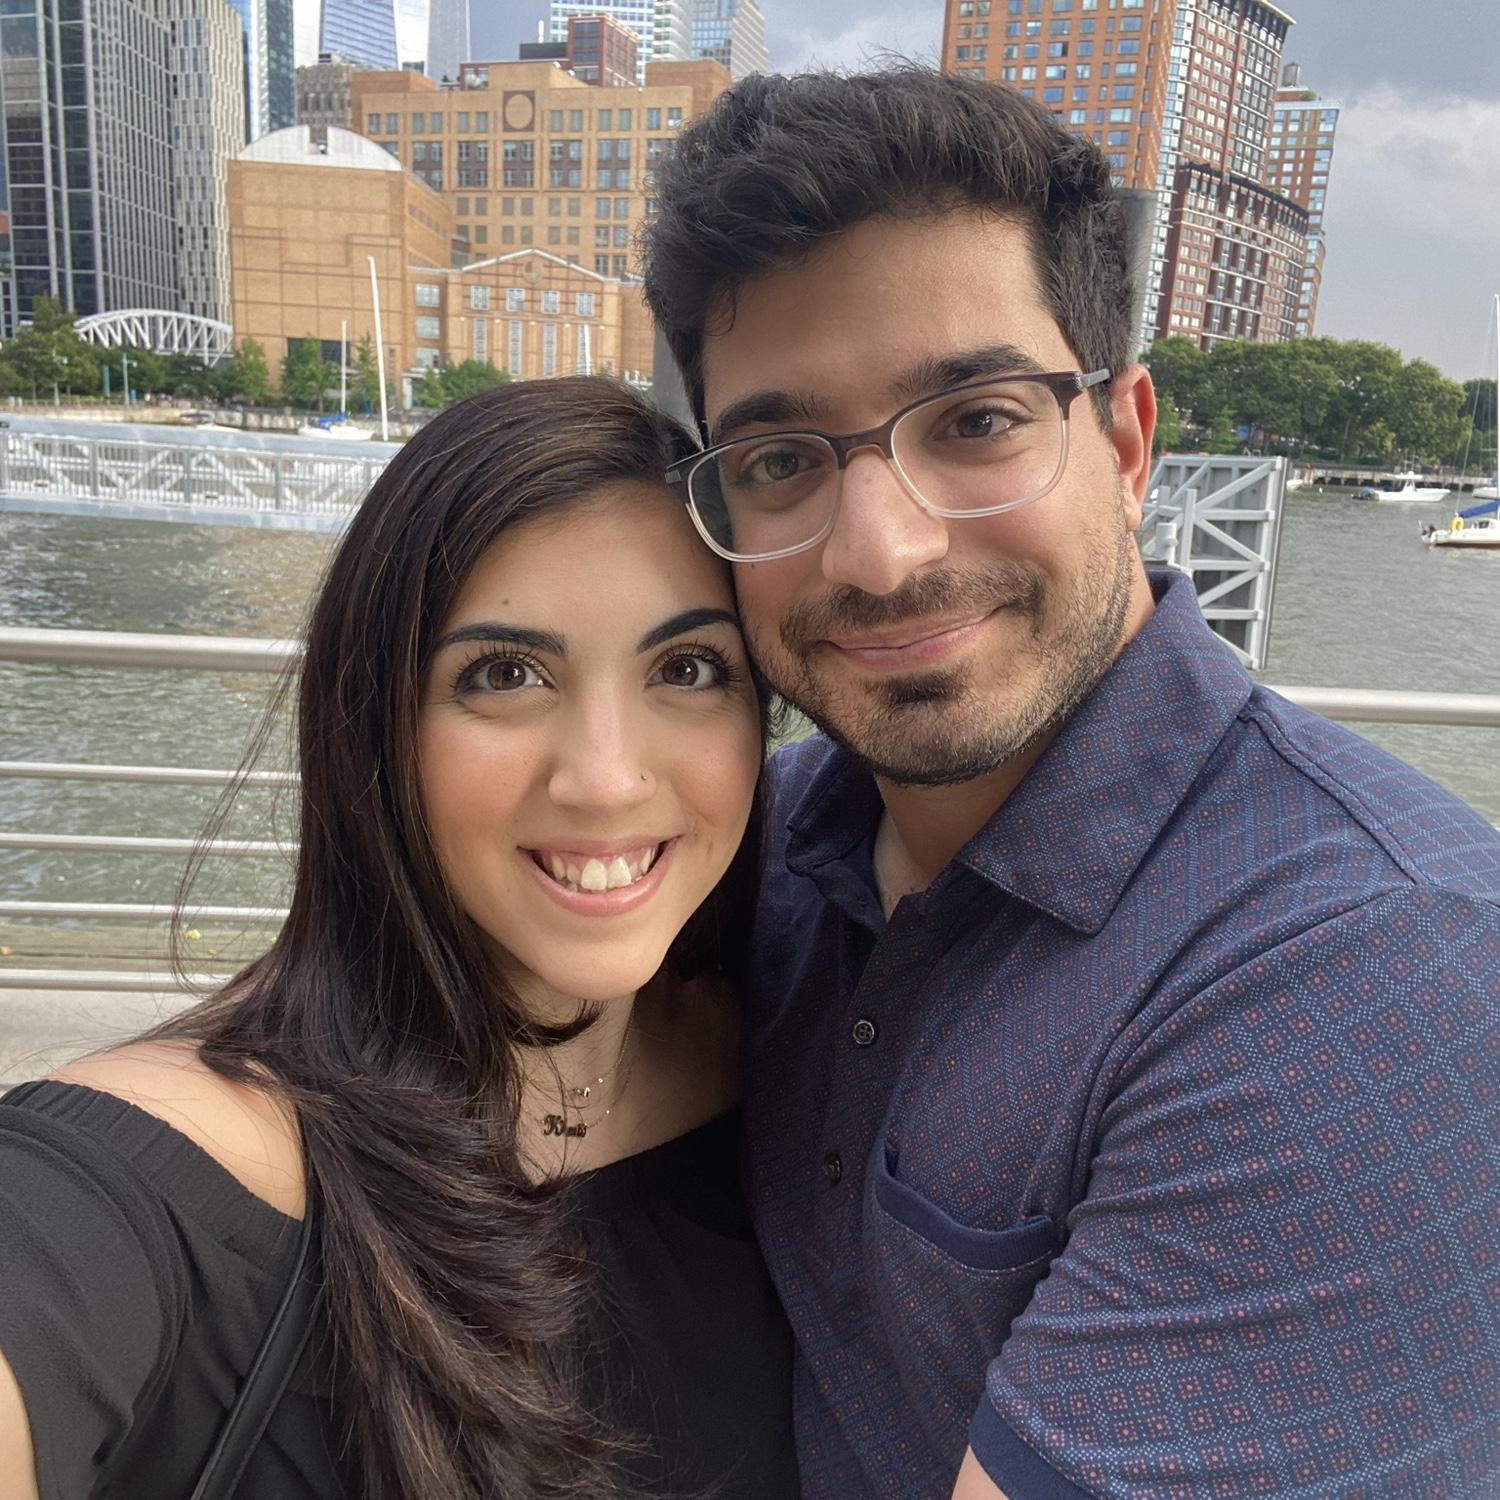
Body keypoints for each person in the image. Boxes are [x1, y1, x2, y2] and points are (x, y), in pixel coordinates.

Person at [642, 68, 1500, 1500]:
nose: (882, 552)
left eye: (976, 420)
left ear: (1126, 442)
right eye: (782, 458)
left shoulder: (1369, 972)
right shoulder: (764, 835)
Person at [0, 378, 799, 1500]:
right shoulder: (178, 1171)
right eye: (505, 675)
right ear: (376, 724)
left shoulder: (801, 1058)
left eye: (688, 668)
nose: (607, 778)